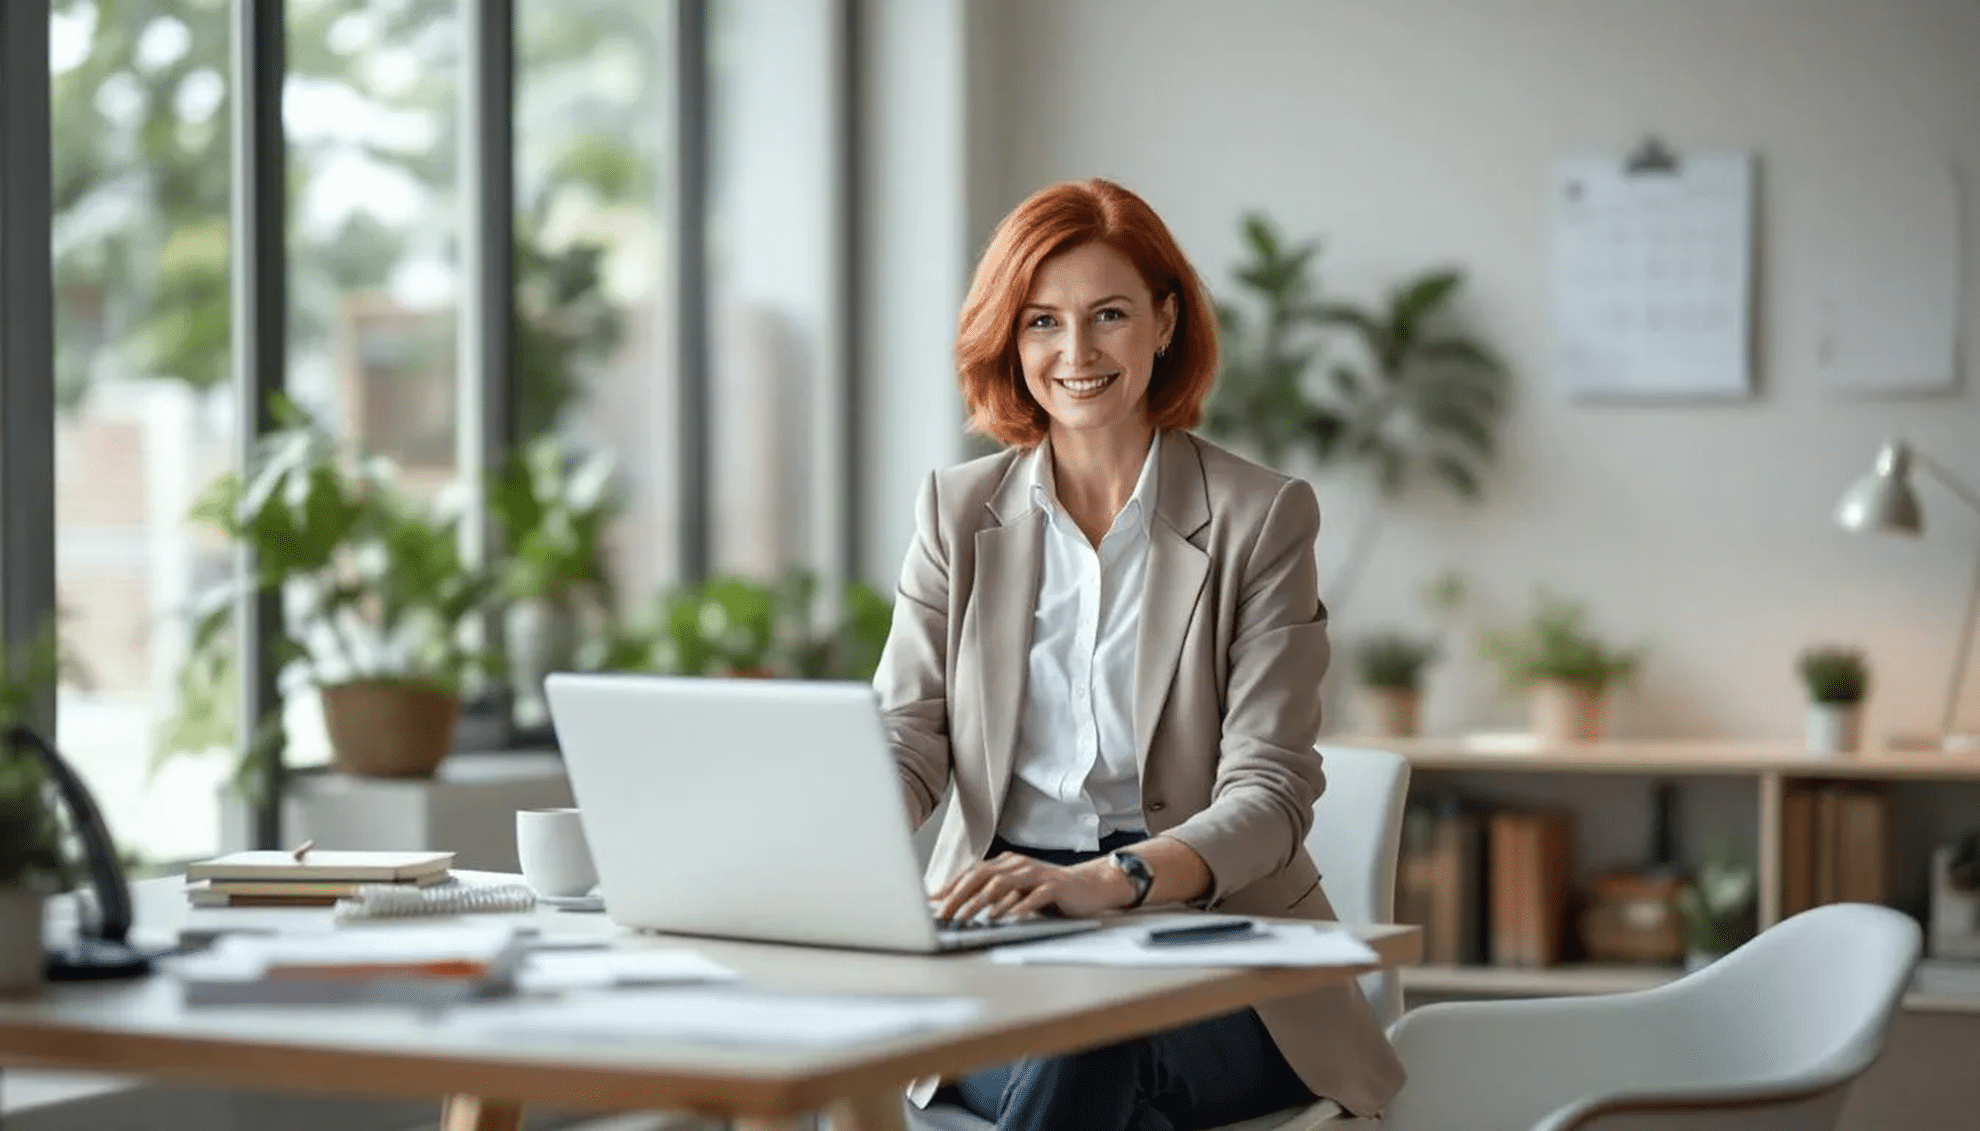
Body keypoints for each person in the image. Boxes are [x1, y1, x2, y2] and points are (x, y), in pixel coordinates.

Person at [873, 177, 1406, 1131]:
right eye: (1042, 321)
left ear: (1164, 322)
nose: (1074, 353)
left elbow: (1270, 793)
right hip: (1001, 932)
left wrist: (1105, 882)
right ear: (1011, 337)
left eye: (1107, 315)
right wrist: (820, 830)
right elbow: (909, 739)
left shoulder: (1261, 518)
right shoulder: (956, 514)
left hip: (1212, 952)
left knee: (1099, 1043)